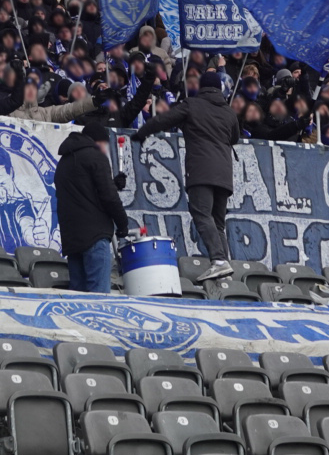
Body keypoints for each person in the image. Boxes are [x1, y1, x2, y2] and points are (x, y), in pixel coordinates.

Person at [132, 69, 240, 281]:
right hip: (225, 175)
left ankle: (219, 261)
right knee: (218, 223)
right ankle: (224, 272)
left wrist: (142, 132)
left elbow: (164, 120)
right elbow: (234, 138)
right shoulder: (229, 112)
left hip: (201, 170)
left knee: (202, 214)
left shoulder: (192, 104)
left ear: (201, 87)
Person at [54, 121, 129, 293]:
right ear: (98, 141)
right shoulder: (96, 157)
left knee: (78, 297)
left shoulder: (63, 162)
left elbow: (84, 192)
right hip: (95, 235)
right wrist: (122, 224)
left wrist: (113, 184)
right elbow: (109, 197)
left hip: (72, 239)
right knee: (99, 297)